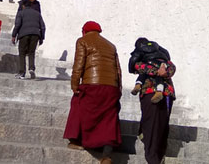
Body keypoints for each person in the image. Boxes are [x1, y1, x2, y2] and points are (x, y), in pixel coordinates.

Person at [63, 21, 121, 164]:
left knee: (77, 104)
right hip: (111, 87)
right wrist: (118, 90)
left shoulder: (83, 41)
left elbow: (79, 64)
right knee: (109, 117)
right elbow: (118, 70)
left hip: (92, 85)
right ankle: (106, 155)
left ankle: (76, 140)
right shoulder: (111, 45)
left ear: (85, 31)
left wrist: (74, 85)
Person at [133, 40, 176, 164]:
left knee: (162, 125)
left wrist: (165, 70)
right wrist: (156, 70)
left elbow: (172, 69)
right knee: (151, 124)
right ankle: (153, 158)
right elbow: (136, 67)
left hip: (166, 93)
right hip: (148, 92)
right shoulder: (142, 58)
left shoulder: (165, 60)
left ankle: (159, 155)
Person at [128, 38, 171, 103]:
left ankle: (138, 84)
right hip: (160, 63)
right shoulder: (157, 47)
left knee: (143, 73)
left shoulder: (141, 47)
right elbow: (166, 53)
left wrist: (131, 69)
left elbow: (134, 57)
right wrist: (165, 61)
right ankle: (159, 91)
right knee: (159, 76)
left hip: (148, 64)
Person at [11, 0, 45, 79]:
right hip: (35, 34)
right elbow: (43, 27)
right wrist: (42, 37)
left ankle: (22, 72)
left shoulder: (21, 13)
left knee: (22, 52)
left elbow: (17, 25)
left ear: (23, 6)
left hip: (24, 34)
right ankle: (31, 68)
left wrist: (14, 35)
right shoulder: (37, 14)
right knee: (31, 52)